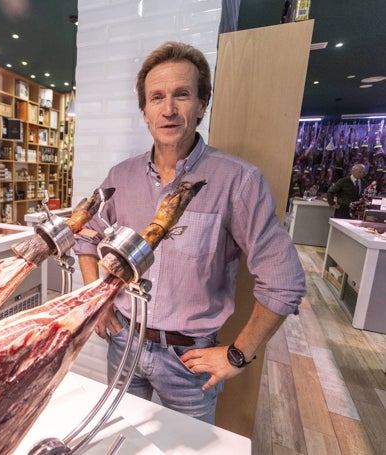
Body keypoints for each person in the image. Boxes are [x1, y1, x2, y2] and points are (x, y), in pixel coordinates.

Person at [73, 41, 306, 424]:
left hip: (189, 363)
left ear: (201, 104)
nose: (168, 109)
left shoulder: (238, 181)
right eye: (156, 98)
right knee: (118, 437)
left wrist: (238, 353)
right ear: (144, 111)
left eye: (181, 95)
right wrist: (96, 301)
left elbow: (284, 281)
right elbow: (86, 235)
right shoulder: (121, 177)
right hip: (123, 341)